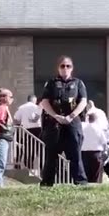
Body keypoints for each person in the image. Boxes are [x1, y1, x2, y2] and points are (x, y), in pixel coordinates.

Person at [39, 55, 88, 187]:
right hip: (54, 123)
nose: (65, 68)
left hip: (72, 122)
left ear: (72, 68)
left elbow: (83, 101)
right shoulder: (51, 83)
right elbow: (44, 102)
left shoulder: (78, 83)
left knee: (75, 153)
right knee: (51, 155)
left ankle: (80, 181)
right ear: (58, 68)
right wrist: (56, 116)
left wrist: (72, 116)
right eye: (62, 66)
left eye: (68, 66)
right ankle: (47, 183)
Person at [13, 94, 43, 169]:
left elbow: (16, 118)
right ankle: (40, 167)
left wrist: (21, 123)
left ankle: (29, 166)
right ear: (34, 100)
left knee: (28, 148)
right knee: (38, 148)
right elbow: (38, 118)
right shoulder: (37, 107)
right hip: (38, 129)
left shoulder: (22, 107)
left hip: (27, 130)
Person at [81, 113, 108, 183]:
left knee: (86, 171)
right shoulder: (98, 128)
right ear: (96, 119)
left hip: (84, 152)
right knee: (95, 173)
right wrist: (105, 151)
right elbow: (104, 142)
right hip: (96, 152)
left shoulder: (83, 128)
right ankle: (94, 184)